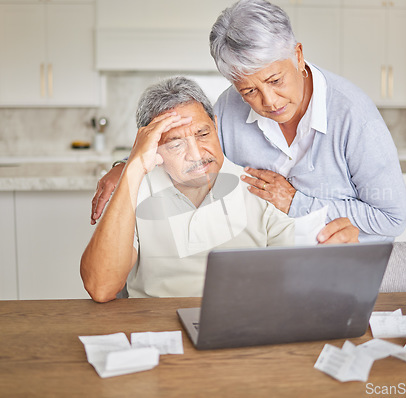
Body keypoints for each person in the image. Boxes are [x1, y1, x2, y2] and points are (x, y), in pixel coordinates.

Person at [91, 0, 406, 242]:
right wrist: (126, 165)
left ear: (297, 55)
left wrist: (295, 202)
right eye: (249, 90)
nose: (268, 102)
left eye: (275, 81)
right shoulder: (229, 107)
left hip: (335, 266)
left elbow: (392, 219)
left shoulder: (354, 116)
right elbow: (190, 151)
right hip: (259, 266)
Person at [81, 77, 359, 303]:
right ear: (151, 147)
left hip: (240, 332)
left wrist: (336, 256)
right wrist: (131, 168)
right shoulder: (136, 190)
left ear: (215, 126)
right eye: (176, 144)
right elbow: (101, 287)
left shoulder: (259, 188)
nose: (196, 154)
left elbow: (304, 280)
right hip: (157, 331)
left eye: (203, 134)